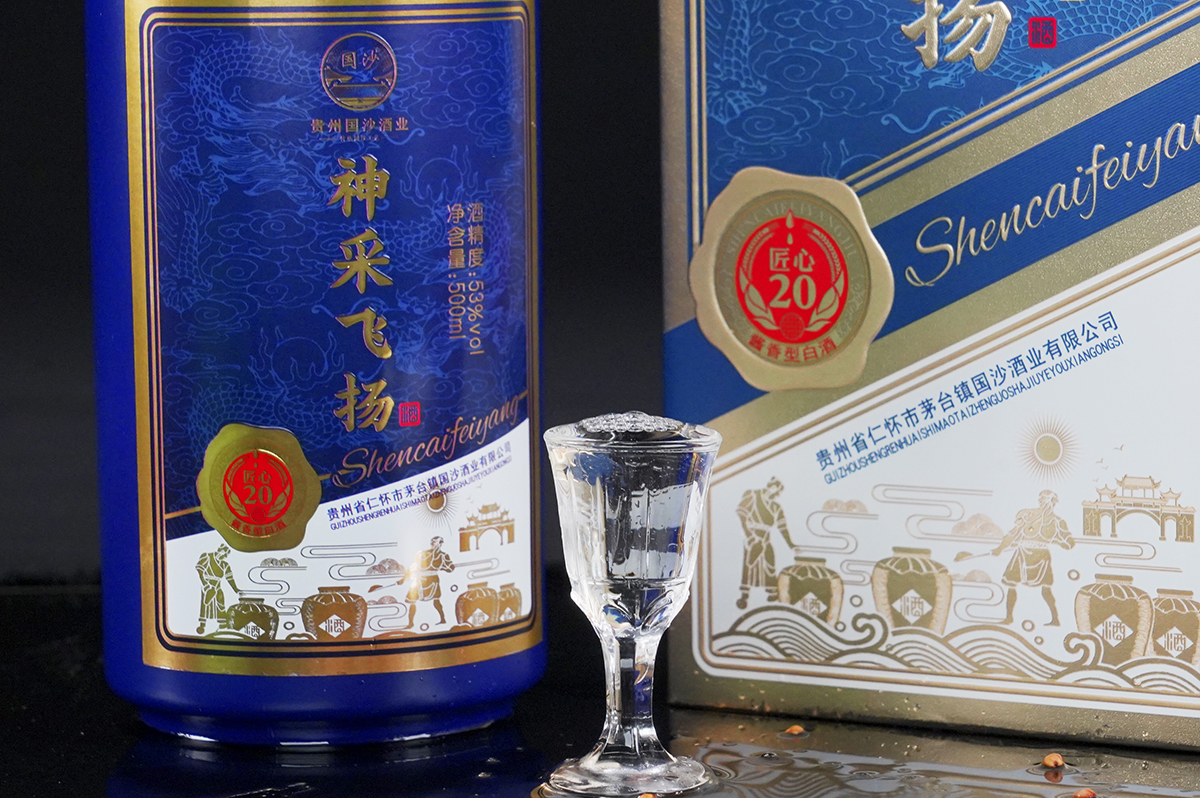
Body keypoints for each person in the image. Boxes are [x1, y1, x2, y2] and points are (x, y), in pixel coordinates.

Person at [993, 490, 1075, 626]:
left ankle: (1055, 619)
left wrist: (1059, 541)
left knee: (1046, 588)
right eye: (1040, 499)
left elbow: (1069, 543)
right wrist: (1000, 549)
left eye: (1045, 499)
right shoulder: (1028, 516)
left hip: (1041, 557)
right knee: (1011, 585)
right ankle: (1009, 617)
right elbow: (1013, 534)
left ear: (1052, 502)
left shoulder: (1058, 522)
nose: (1041, 501)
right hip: (1022, 554)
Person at [736, 477, 795, 609]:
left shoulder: (775, 506)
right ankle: (744, 595)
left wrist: (791, 544)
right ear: (772, 487)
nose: (777, 493)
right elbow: (742, 513)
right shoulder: (753, 495)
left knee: (770, 561)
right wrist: (749, 535)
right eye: (777, 490)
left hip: (766, 537)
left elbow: (782, 527)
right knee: (750, 565)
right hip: (752, 536)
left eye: (778, 492)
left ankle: (772, 594)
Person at [406, 536, 455, 627]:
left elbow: (451, 568)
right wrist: (404, 578)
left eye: (435, 542)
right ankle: (410, 623)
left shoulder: (443, 555)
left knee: (436, 600)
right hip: (420, 580)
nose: (432, 544)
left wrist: (443, 567)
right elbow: (414, 566)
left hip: (433, 580)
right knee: (412, 600)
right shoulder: (423, 553)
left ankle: (443, 619)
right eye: (432, 542)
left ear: (440, 543)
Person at [195, 544, 240, 634]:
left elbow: (229, 578)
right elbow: (200, 570)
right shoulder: (207, 557)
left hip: (217, 585)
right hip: (207, 584)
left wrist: (236, 589)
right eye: (225, 554)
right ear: (222, 551)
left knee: (221, 602)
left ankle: (222, 624)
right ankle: (202, 625)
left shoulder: (224, 564)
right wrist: (205, 584)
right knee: (205, 604)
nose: (226, 556)